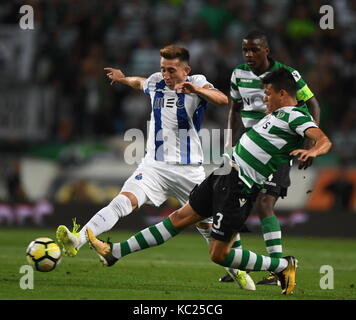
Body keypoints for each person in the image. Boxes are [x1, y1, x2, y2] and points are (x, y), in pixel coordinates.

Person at [85, 68, 332, 295]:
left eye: (267, 94)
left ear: (282, 93)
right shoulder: (277, 115)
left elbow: (324, 140)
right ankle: (114, 252)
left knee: (219, 254)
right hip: (223, 173)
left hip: (240, 185)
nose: (263, 99)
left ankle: (282, 265)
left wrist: (313, 150)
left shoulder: (296, 116)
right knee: (179, 218)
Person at [56, 45, 255, 289]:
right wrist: (122, 78)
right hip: (154, 166)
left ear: (186, 70)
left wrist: (197, 90)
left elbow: (223, 99)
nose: (166, 75)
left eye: (171, 70)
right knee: (122, 202)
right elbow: (140, 82)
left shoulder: (197, 82)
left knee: (209, 227)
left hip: (189, 170)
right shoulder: (155, 82)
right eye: (163, 69)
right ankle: (78, 240)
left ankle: (236, 269)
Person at [221, 30, 321, 285]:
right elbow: (234, 110)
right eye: (245, 50)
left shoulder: (287, 74)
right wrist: (229, 146)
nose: (249, 54)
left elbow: (313, 104)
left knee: (264, 203)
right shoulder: (238, 74)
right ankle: (236, 262)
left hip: (276, 146)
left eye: (254, 49)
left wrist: (309, 142)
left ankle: (278, 270)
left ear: (266, 50)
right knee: (233, 201)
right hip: (247, 146)